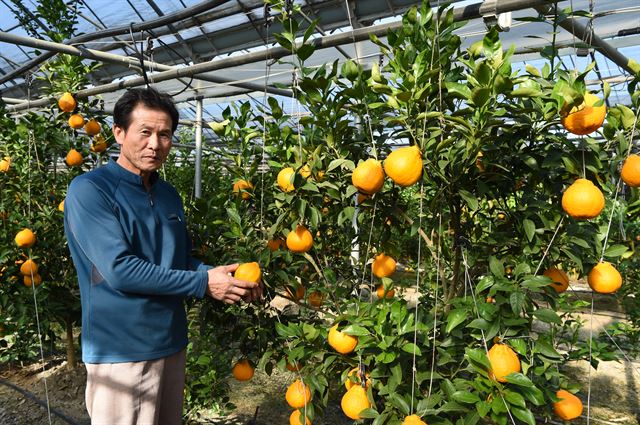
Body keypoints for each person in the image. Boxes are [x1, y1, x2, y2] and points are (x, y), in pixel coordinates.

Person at [64, 86, 261, 425]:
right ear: (119, 133)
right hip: (121, 350)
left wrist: (224, 277)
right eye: (145, 132)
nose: (155, 144)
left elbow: (179, 260)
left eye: (164, 134)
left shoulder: (168, 195)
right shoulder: (90, 190)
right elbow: (121, 270)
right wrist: (202, 283)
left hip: (171, 342)